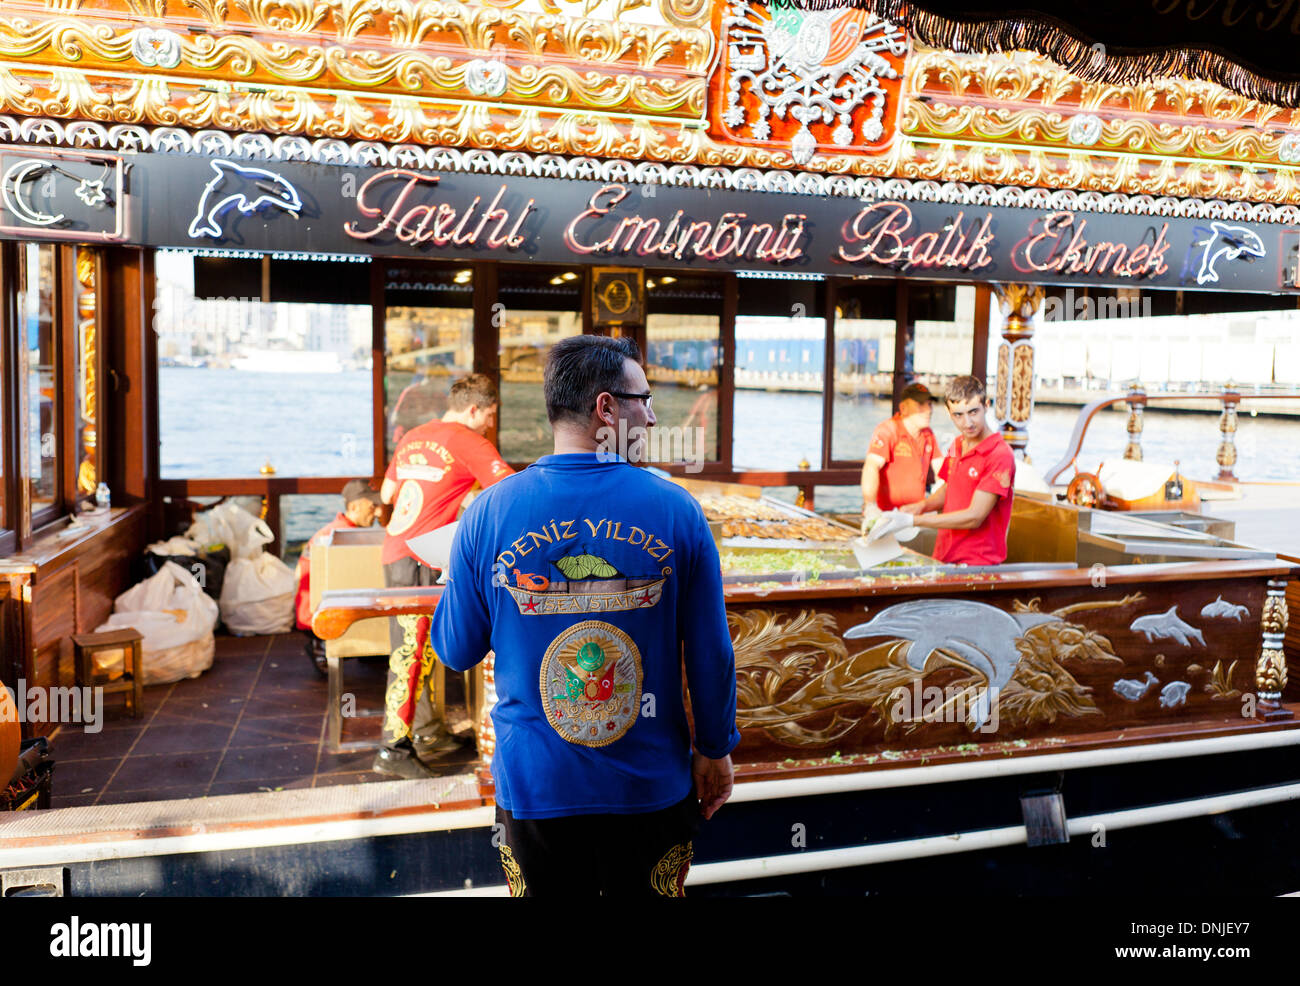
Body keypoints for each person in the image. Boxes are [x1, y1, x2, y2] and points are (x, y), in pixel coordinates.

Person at [428, 335, 739, 897]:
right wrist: (715, 749)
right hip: (648, 783)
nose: (650, 414)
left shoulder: (488, 512)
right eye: (643, 398)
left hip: (536, 786)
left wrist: (455, 579)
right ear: (606, 408)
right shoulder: (677, 510)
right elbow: (711, 654)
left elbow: (455, 649)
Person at [374, 373, 514, 779]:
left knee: (420, 648)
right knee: (409, 653)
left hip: (396, 548)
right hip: (421, 557)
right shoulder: (469, 440)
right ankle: (391, 748)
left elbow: (387, 495)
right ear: (473, 409)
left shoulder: (414, 435)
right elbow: (508, 490)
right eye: (489, 415)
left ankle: (427, 731)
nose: (490, 423)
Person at [907, 375, 1016, 565]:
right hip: (944, 557)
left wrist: (914, 521)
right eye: (958, 415)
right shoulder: (957, 444)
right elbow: (949, 488)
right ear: (949, 413)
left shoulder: (999, 454)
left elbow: (974, 517)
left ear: (986, 405)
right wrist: (921, 507)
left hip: (977, 565)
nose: (967, 423)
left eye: (973, 412)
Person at [294, 479, 383, 671]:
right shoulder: (345, 537)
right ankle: (324, 646)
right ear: (353, 506)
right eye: (373, 506)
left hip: (308, 611)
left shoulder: (332, 531)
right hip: (316, 615)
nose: (379, 513)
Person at [860, 381, 938, 525]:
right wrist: (870, 505)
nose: (928, 410)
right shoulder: (888, 430)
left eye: (929, 404)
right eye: (921, 405)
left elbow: (941, 470)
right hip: (886, 519)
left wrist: (938, 497)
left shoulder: (928, 434)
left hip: (914, 518)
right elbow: (871, 466)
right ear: (903, 408)